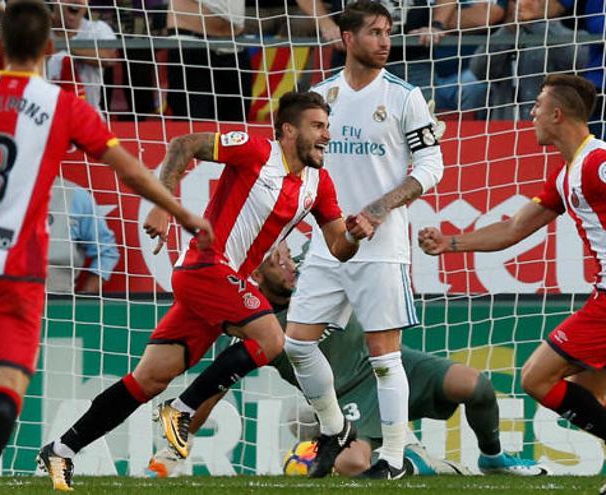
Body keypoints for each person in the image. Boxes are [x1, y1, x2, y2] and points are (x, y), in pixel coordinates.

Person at [0, 1, 212, 493]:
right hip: (14, 268)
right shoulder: (63, 106)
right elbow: (130, 171)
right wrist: (182, 213)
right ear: (51, 48)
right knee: (11, 380)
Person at [37, 90, 374, 491]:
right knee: (271, 336)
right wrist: (162, 204)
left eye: (327, 127)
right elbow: (184, 144)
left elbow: (339, 246)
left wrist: (355, 234)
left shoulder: (319, 184)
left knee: (147, 380)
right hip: (204, 265)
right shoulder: (254, 150)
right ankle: (182, 410)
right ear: (288, 130)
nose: (327, 136)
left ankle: (62, 448)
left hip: (222, 283)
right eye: (318, 126)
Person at [418, 74, 606, 495]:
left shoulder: (602, 164)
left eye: (537, 107)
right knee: (589, 396)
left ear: (556, 114)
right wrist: (449, 243)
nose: (531, 114)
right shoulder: (568, 174)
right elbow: (513, 229)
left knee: (534, 378)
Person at [152, 242, 547, 478]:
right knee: (352, 466)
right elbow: (213, 392)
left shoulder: (315, 274)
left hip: (391, 363)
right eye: (279, 261)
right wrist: (173, 448)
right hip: (350, 399)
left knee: (477, 387)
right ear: (254, 273)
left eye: (290, 256)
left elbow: (344, 234)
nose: (290, 266)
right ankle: (422, 462)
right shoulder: (260, 329)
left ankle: (492, 456)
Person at [285, 0, 444, 480]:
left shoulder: (403, 96)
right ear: (347, 38)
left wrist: (379, 209)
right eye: (374, 32)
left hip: (382, 244)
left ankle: (394, 459)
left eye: (388, 32)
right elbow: (302, 169)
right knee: (296, 344)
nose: (385, 41)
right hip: (329, 242)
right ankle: (335, 430)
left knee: (384, 357)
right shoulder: (322, 95)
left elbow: (431, 167)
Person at [47, 177, 120, 295]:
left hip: (56, 302)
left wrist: (84, 299)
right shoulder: (7, 190)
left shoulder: (74, 195)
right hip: (8, 299)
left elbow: (107, 251)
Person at [47, 0, 118, 112]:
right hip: (47, 116)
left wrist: (65, 45)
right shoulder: (38, 30)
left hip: (88, 115)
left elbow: (109, 58)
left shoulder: (97, 29)